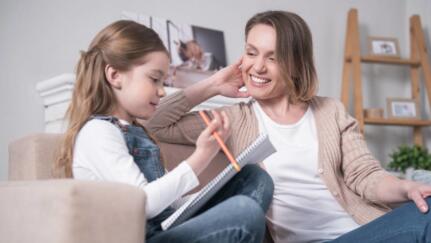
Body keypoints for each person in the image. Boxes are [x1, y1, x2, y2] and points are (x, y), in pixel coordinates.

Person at [146, 11, 431, 243]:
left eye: (273, 57)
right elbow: (154, 124)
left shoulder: (330, 111)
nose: (257, 67)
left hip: (365, 230)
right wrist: (212, 85)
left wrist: (406, 188)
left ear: (295, 64)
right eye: (251, 52)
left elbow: (365, 176)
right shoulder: (233, 119)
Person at [53, 20, 274, 243]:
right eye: (154, 79)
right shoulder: (98, 132)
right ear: (114, 76)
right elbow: (144, 203)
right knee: (243, 211)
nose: (161, 91)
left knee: (254, 177)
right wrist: (202, 156)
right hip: (142, 238)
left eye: (163, 81)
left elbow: (171, 204)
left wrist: (216, 195)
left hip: (166, 230)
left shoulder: (137, 132)